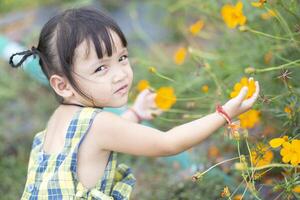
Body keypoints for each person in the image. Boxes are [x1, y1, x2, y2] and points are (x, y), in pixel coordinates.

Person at [9, 7, 260, 200]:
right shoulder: (99, 125)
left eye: (122, 57)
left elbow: (98, 141)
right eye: (100, 68)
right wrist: (224, 113)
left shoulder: (56, 124)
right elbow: (168, 143)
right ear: (62, 85)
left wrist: (135, 114)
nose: (120, 73)